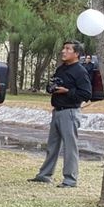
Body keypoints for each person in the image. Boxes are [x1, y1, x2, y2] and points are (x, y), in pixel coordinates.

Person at [28, 40, 92, 188]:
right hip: (57, 111)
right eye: (63, 48)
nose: (63, 51)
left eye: (68, 49)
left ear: (76, 54)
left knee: (70, 147)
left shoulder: (80, 71)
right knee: (52, 146)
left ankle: (70, 180)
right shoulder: (61, 69)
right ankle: (44, 175)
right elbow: (53, 83)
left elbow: (86, 93)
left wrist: (67, 91)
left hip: (70, 112)